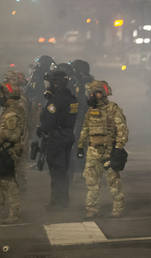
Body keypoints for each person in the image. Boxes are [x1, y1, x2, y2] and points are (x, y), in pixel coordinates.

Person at [77, 80, 129, 218]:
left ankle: (118, 207)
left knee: (113, 181)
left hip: (109, 151)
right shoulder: (90, 111)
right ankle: (91, 208)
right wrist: (80, 146)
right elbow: (85, 128)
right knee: (91, 182)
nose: (91, 96)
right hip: (93, 150)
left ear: (101, 93)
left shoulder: (113, 109)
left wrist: (118, 148)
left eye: (94, 93)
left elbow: (122, 130)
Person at [0, 77, 26, 224]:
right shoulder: (10, 111)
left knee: (9, 183)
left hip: (8, 152)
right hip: (3, 152)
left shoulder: (11, 113)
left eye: (2, 95)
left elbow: (7, 134)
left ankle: (14, 214)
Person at [37, 70, 78, 209]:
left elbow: (49, 122)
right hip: (67, 136)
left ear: (56, 82)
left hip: (56, 138)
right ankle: (63, 200)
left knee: (56, 171)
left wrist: (41, 128)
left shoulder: (55, 101)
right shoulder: (71, 97)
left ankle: (58, 202)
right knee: (63, 170)